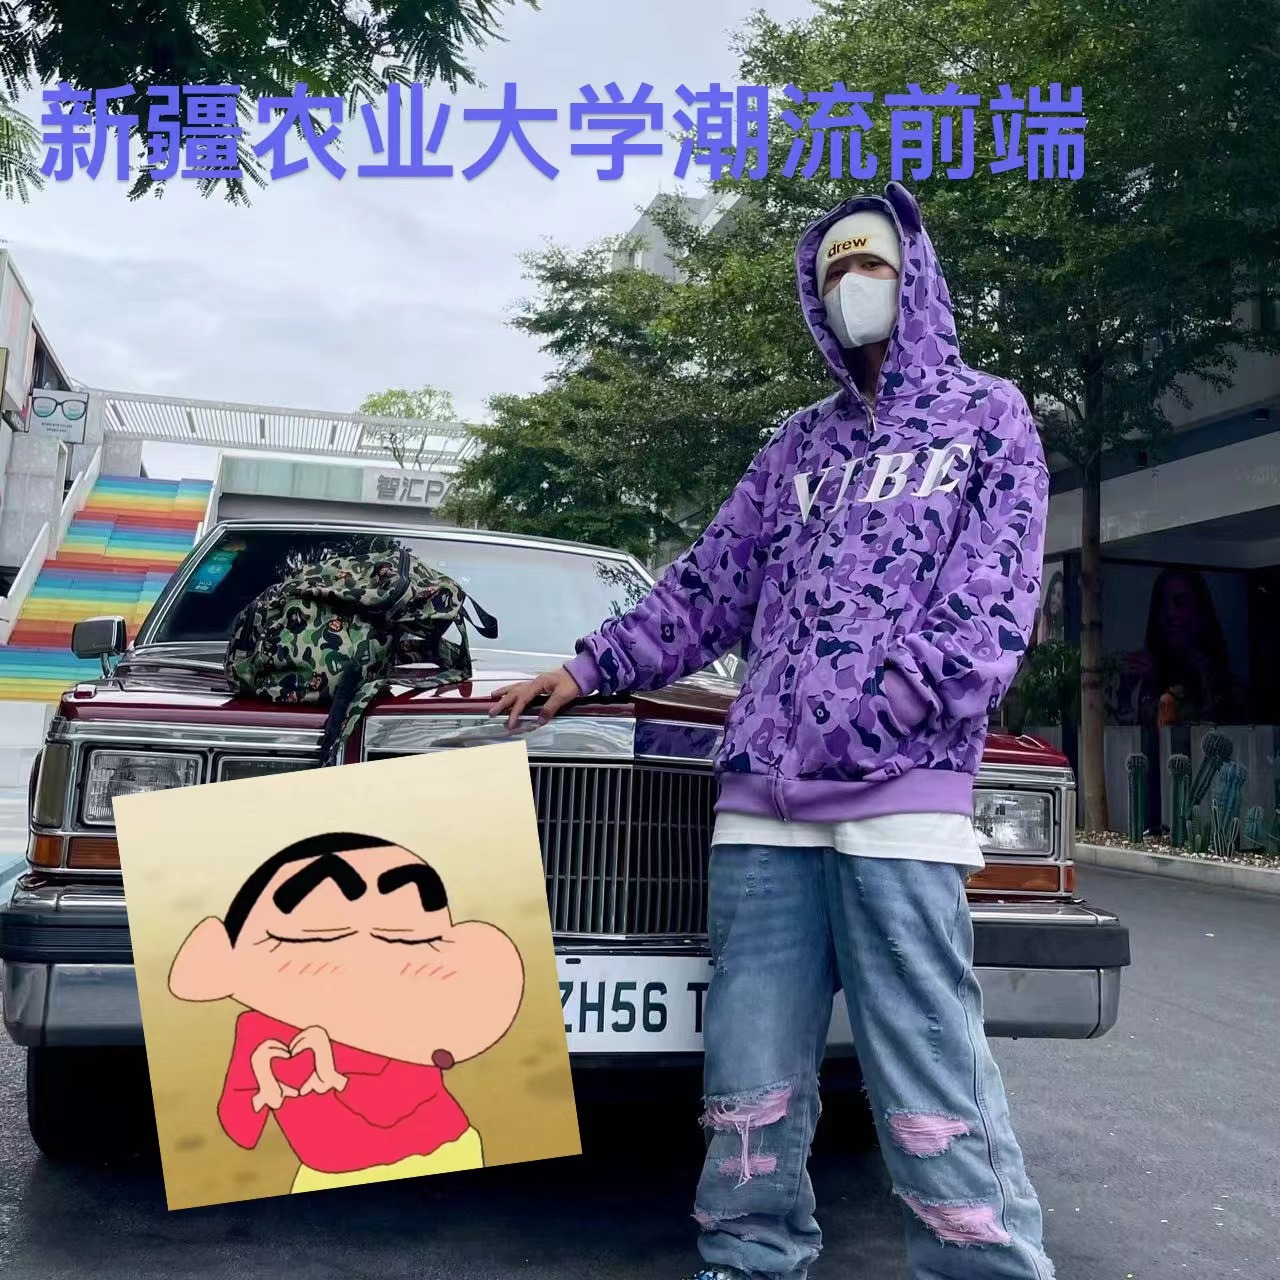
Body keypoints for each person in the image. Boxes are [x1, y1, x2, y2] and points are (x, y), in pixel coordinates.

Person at [491, 181, 1053, 1280]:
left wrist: (885, 713)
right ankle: (748, 1254)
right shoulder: (797, 445)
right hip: (762, 806)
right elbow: (708, 584)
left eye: (872, 262)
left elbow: (993, 596)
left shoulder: (988, 416)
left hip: (898, 797)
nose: (853, 283)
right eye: (835, 268)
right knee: (747, 1070)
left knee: (928, 1066)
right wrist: (588, 665)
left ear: (915, 277)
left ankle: (984, 1267)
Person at [168, 831, 524, 1193]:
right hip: (326, 1173)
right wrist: (262, 1091)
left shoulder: (406, 1006)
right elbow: (240, 1129)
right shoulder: (258, 1027)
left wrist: (332, 1072)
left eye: (403, 937)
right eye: (315, 936)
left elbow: (396, 1103)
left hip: (436, 1156)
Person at [1121, 568, 1249, 727]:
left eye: (1181, 603)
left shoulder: (1231, 689)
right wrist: (1128, 693)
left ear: (1202, 614)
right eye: (1162, 605)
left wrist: (1206, 683)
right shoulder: (1149, 675)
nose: (1170, 613)